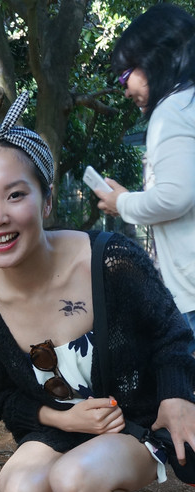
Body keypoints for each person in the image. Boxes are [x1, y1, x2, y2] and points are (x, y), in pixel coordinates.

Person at [0, 92, 195, 492]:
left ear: (45, 198)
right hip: (66, 432)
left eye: (15, 195)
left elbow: (173, 332)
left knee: (75, 480)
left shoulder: (111, 259)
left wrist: (176, 397)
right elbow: (2, 398)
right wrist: (62, 420)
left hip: (132, 424)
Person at [95, 5, 195, 339]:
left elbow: (175, 197)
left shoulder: (171, 111)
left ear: (156, 60)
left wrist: (121, 203)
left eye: (126, 76)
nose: (125, 90)